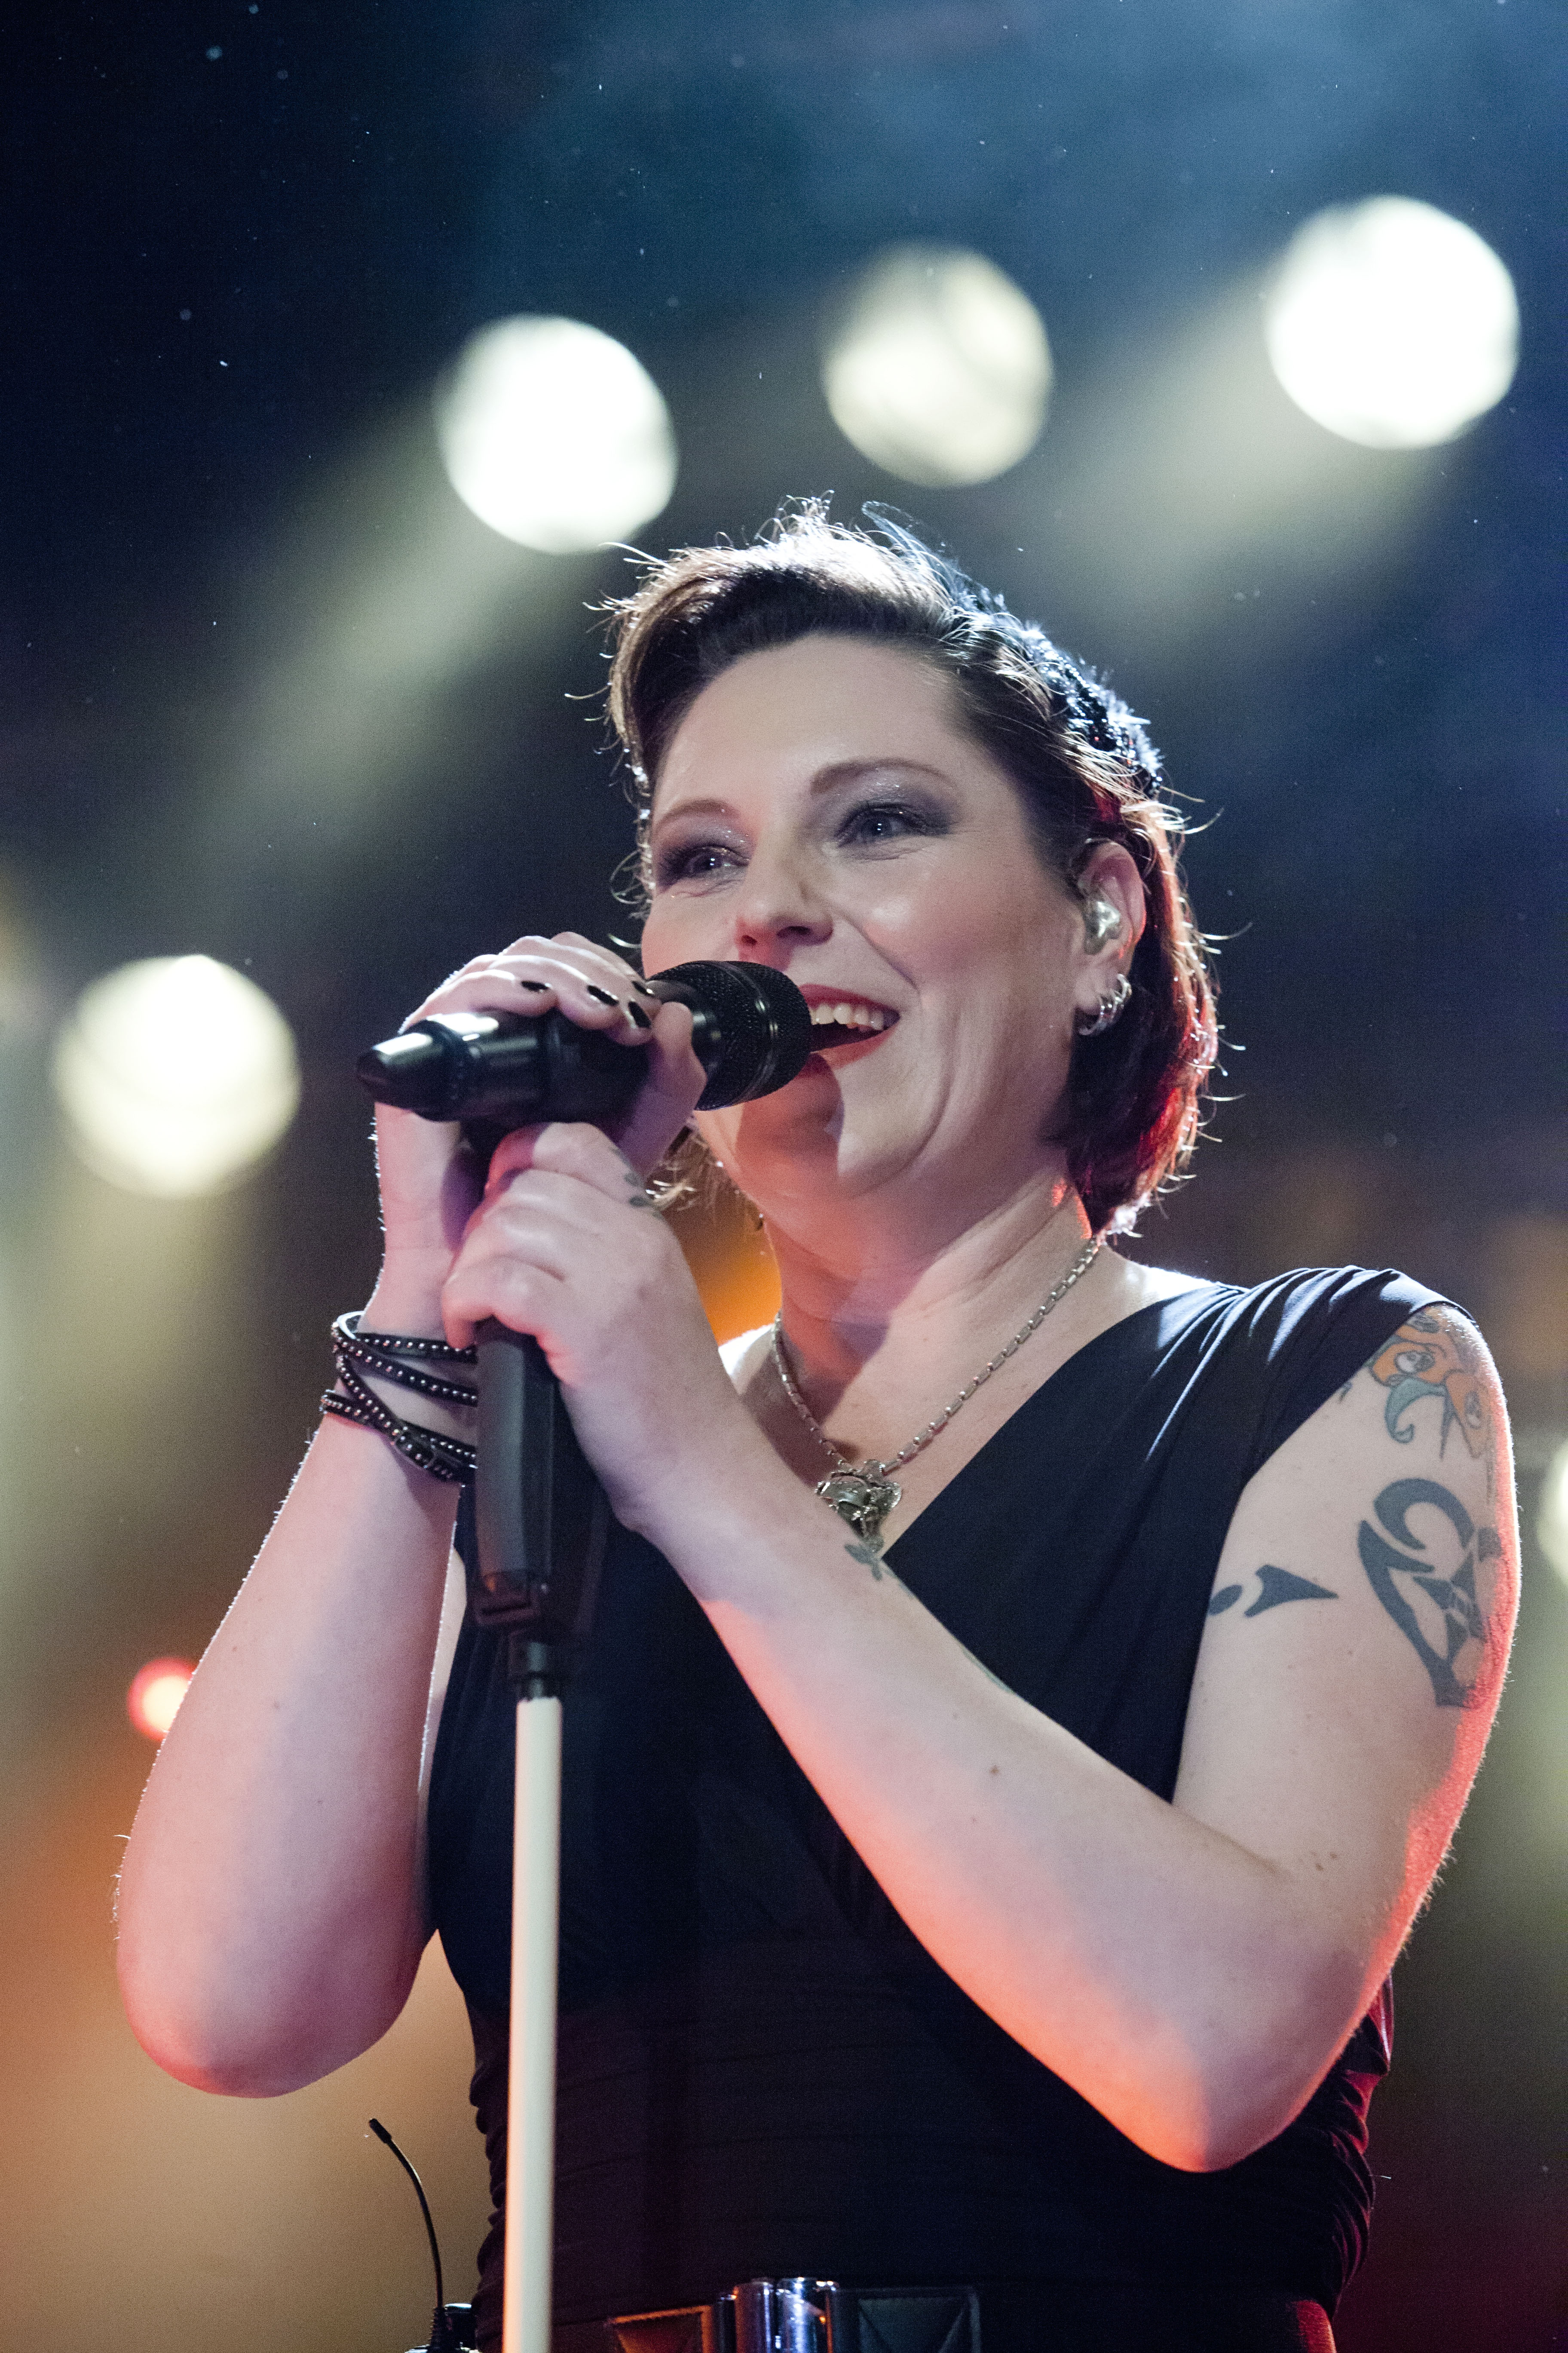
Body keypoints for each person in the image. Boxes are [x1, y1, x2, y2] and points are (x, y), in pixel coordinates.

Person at [117, 507, 1518, 2353]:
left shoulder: (1336, 1381)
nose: (766, 908)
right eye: (700, 858)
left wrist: (701, 1469)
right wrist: (417, 1300)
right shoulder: (542, 1428)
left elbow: (1210, 2046)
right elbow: (232, 2004)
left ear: (1100, 916)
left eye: (878, 821)